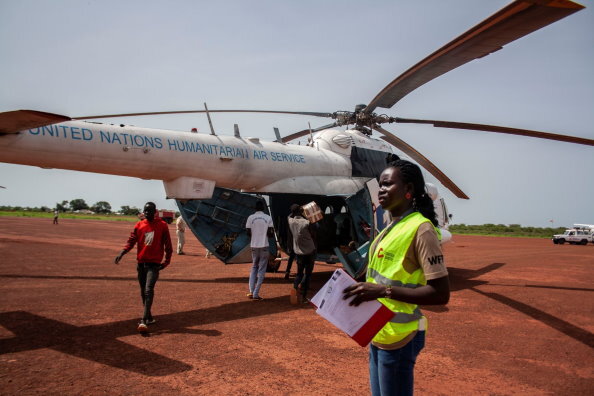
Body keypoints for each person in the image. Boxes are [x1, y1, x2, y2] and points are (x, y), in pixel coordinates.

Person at [343, 159, 450, 396]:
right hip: (378, 332)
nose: (381, 190)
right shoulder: (388, 229)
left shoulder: (421, 229)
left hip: (401, 337)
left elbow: (440, 293)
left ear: (409, 190)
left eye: (388, 184)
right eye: (380, 185)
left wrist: (382, 292)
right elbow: (381, 279)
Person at [114, 202, 173, 333]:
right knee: (143, 291)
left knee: (148, 290)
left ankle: (143, 320)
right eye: (145, 211)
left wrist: (166, 262)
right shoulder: (139, 225)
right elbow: (131, 241)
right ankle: (150, 317)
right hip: (141, 264)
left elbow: (168, 246)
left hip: (154, 264)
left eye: (149, 211)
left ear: (155, 211)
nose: (147, 213)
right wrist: (122, 253)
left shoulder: (162, 225)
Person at [288, 203, 317, 304]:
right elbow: (313, 233)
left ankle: (295, 288)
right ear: (301, 212)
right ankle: (304, 297)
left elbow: (290, 215)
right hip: (309, 251)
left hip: (298, 252)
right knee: (308, 274)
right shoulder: (306, 222)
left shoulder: (290, 221)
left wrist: (296, 211)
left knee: (299, 274)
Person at [245, 201, 274, 300]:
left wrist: (255, 235)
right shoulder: (268, 218)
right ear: (263, 208)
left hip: (254, 246)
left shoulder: (250, 217)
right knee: (261, 270)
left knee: (254, 267)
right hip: (264, 246)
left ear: (255, 208)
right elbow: (270, 234)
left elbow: (248, 232)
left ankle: (251, 291)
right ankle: (256, 293)